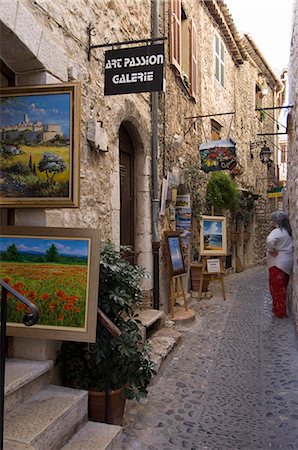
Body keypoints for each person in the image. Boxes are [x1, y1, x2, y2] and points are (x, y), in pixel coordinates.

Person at [266, 211, 294, 318]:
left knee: (276, 288)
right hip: (287, 263)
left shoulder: (278, 231)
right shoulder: (288, 232)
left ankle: (280, 312)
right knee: (283, 287)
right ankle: (280, 309)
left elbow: (269, 240)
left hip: (277, 263)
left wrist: (271, 250)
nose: (271, 222)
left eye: (273, 220)